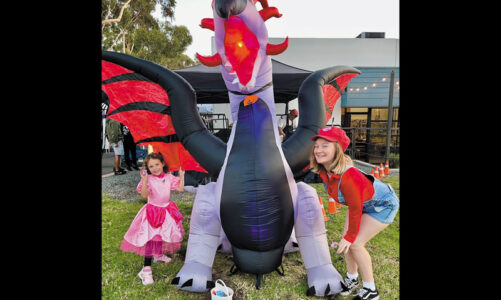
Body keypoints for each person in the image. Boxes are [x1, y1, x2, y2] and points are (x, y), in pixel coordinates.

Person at [309, 126, 399, 300]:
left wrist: (350, 236)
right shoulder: (324, 170)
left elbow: (356, 209)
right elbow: (354, 205)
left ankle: (370, 290)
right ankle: (352, 279)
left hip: (383, 205)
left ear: (338, 148)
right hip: (360, 203)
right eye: (316, 146)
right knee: (347, 242)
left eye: (325, 145)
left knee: (355, 243)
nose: (318, 150)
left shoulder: (348, 176)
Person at [120, 152, 186, 285]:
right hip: (152, 212)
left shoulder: (168, 177)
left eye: (157, 164)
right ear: (147, 168)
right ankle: (146, 270)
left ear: (163, 164)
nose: (155, 168)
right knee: (150, 238)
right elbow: (144, 195)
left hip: (166, 210)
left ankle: (158, 255)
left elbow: (179, 189)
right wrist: (144, 181)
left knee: (162, 234)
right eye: (151, 166)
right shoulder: (148, 179)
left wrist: (181, 176)